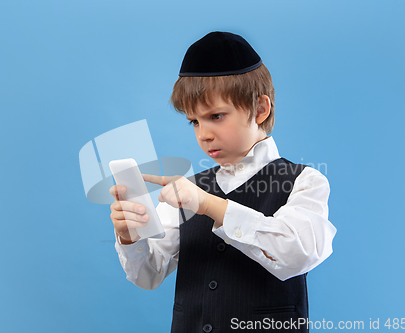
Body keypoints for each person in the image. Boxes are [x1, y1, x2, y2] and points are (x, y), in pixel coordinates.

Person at [109, 31, 337, 333]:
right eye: (194, 121)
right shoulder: (186, 190)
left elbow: (298, 253)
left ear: (259, 109)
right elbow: (149, 275)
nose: (203, 134)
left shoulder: (304, 181)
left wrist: (208, 204)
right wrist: (130, 236)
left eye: (216, 116)